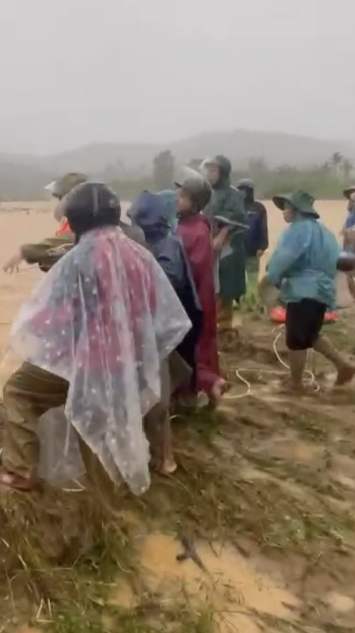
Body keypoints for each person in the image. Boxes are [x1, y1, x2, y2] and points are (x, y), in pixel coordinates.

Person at [0, 182, 192, 492]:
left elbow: (52, 316)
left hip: (87, 359)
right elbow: (156, 307)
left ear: (74, 221)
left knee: (19, 392)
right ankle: (111, 500)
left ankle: (20, 470)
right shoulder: (139, 254)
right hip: (128, 358)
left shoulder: (77, 259)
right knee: (94, 419)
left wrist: (29, 335)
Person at [131, 191, 204, 474]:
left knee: (159, 390)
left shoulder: (166, 243)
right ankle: (163, 447)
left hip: (173, 322)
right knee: (161, 384)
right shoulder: (151, 242)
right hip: (161, 324)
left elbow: (169, 281)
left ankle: (166, 456)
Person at [260, 190, 355, 391]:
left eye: (286, 208)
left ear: (297, 210)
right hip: (323, 290)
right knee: (310, 334)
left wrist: (273, 278)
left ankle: (295, 383)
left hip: (303, 290)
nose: (283, 212)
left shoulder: (297, 230)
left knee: (295, 337)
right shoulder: (325, 233)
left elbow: (284, 257)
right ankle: (343, 365)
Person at [174, 177, 227, 408]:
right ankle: (203, 388)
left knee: (193, 347)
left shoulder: (195, 231)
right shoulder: (187, 226)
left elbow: (192, 269)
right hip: (193, 296)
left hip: (194, 299)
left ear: (195, 203)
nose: (178, 199)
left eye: (184, 196)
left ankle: (209, 384)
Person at [202, 156, 248, 337]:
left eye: (214, 171)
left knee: (225, 283)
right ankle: (214, 322)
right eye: (208, 170)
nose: (210, 174)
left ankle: (224, 324)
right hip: (210, 246)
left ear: (223, 173)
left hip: (227, 247)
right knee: (212, 284)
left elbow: (238, 217)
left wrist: (222, 234)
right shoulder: (208, 193)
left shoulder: (232, 194)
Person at [4, 172, 87, 273]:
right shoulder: (83, 220)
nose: (59, 202)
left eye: (60, 198)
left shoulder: (84, 223)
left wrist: (25, 252)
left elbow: (65, 242)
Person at [237, 179, 269, 290]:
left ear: (250, 191)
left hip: (253, 250)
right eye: (239, 190)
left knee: (252, 279)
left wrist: (263, 246)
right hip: (237, 250)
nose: (241, 192)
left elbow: (263, 228)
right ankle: (238, 302)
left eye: (244, 190)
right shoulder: (235, 207)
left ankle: (252, 302)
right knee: (237, 278)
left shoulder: (259, 208)